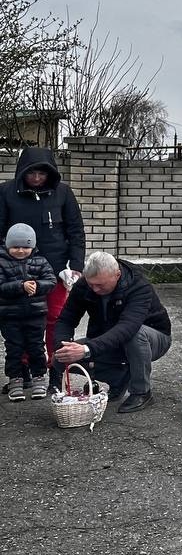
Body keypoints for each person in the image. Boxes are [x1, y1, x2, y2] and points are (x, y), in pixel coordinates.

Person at [0, 147, 86, 394]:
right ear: (22, 172)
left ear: (50, 174)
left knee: (54, 321)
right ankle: (23, 370)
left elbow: (76, 232)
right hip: (16, 272)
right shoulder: (6, 193)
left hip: (56, 271)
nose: (36, 178)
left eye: (41, 174)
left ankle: (53, 370)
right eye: (32, 173)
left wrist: (76, 267)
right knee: (20, 320)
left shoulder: (63, 193)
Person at [53, 251, 171, 414]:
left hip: (153, 338)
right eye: (91, 284)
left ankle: (141, 392)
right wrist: (63, 346)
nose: (94, 289)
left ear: (117, 274)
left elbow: (127, 327)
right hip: (110, 339)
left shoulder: (138, 285)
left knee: (135, 335)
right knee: (58, 359)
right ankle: (119, 378)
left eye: (100, 285)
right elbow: (66, 319)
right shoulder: (83, 285)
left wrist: (87, 349)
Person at [1, 224, 56, 401]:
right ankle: (15, 380)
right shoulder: (1, 262)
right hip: (10, 316)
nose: (21, 251)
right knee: (14, 348)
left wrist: (38, 286)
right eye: (16, 247)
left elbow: (51, 281)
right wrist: (20, 286)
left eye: (25, 247)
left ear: (32, 247)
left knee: (36, 347)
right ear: (8, 245)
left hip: (35, 314)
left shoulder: (40, 261)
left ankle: (39, 377)